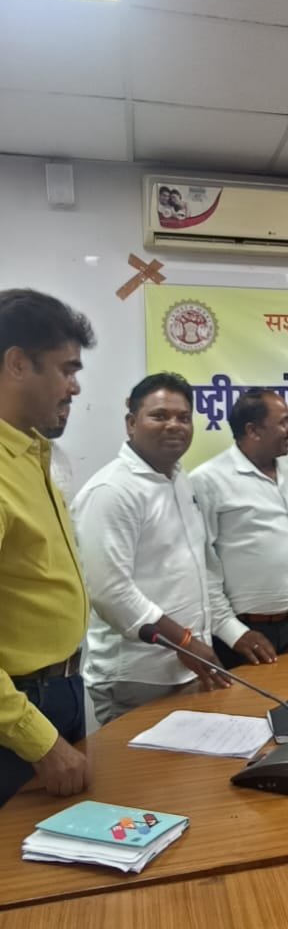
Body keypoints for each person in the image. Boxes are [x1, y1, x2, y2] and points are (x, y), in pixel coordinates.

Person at [72, 373, 243, 724]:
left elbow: (201, 570)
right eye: (160, 415)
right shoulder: (111, 491)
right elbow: (109, 592)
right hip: (137, 677)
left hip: (189, 668)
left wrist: (231, 632)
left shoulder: (180, 480)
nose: (174, 425)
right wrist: (184, 641)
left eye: (183, 417)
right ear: (131, 423)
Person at [0, 288, 95, 804]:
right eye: (66, 369)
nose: (75, 387)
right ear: (18, 364)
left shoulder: (34, 453)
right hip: (16, 714)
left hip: (58, 690)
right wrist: (38, 741)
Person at [191, 388, 288, 666]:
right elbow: (201, 567)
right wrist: (233, 632)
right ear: (253, 430)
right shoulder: (208, 480)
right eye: (283, 422)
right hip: (242, 635)